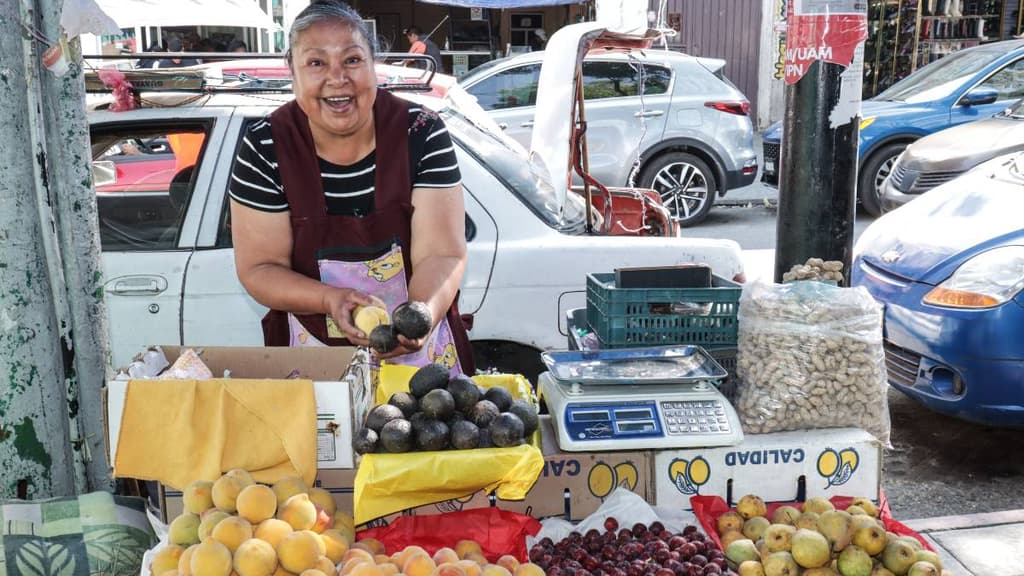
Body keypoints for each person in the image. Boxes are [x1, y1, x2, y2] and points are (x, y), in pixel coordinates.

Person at [228, 0, 473, 374]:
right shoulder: (265, 147)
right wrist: (330, 299)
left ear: (373, 66)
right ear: (292, 73)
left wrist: (420, 314)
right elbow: (260, 268)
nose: (337, 78)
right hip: (317, 360)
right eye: (316, 63)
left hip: (421, 361)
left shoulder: (420, 132)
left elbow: (442, 253)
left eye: (352, 60)